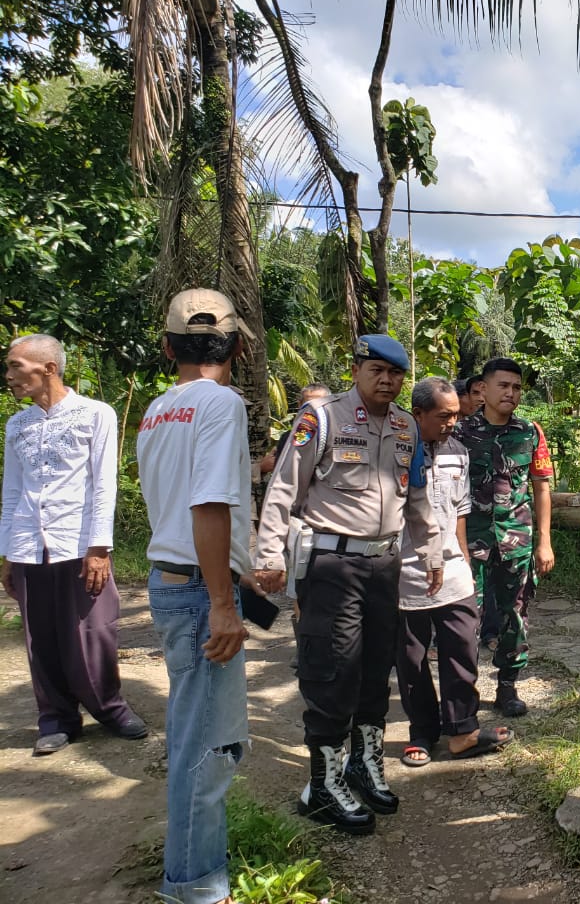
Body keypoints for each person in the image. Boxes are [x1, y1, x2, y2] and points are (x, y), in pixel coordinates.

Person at [255, 333, 443, 835]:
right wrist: (269, 552)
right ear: (356, 369)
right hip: (332, 566)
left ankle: (363, 764)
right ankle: (321, 785)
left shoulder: (407, 427)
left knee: (375, 671)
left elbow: (418, 497)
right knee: (332, 672)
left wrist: (431, 551)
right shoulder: (323, 419)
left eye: (396, 373)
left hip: (384, 567)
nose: (387, 380)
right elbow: (283, 490)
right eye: (376, 370)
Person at [136, 289, 278, 904]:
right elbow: (208, 505)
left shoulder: (156, 410)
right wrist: (223, 601)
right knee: (207, 749)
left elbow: (176, 512)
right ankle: (193, 888)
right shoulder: (220, 404)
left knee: (200, 735)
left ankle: (196, 876)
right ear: (239, 349)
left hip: (177, 581)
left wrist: (237, 577)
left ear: (168, 348)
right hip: (198, 594)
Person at [0, 333, 146, 756]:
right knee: (39, 636)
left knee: (92, 631)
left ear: (48, 368)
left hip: (78, 543)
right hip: (30, 543)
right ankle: (57, 718)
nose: (9, 376)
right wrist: (9, 552)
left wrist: (99, 546)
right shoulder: (18, 425)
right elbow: (12, 492)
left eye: (15, 366)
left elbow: (103, 484)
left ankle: (110, 708)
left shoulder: (93, 414)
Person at [397, 377, 515, 766]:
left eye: (453, 414)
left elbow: (460, 512)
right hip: (405, 573)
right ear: (418, 414)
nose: (451, 422)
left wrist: (462, 560)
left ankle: (462, 729)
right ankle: (422, 733)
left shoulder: (458, 452)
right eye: (442, 416)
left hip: (452, 571)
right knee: (412, 661)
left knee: (462, 649)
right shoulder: (394, 451)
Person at [456, 357, 554, 718]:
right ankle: (462, 690)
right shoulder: (459, 432)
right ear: (483, 389)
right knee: (467, 616)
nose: (511, 393)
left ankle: (507, 686)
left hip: (517, 539)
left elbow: (541, 488)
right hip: (471, 542)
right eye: (503, 385)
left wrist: (544, 542)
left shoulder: (530, 432)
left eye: (516, 387)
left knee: (515, 614)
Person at [258, 383, 332, 479]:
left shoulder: (338, 437)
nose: (315, 410)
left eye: (321, 404)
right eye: (309, 405)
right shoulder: (288, 438)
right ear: (300, 405)